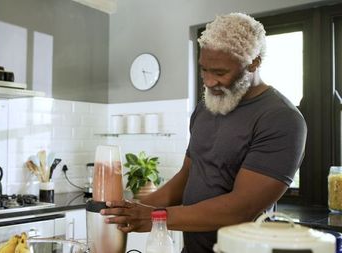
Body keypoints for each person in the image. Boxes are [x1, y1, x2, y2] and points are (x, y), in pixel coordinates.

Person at [101, 12, 307, 253]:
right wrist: (131, 208)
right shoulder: (207, 107)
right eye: (204, 70)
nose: (208, 82)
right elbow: (186, 177)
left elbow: (241, 208)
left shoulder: (281, 119)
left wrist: (156, 217)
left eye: (220, 73)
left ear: (254, 62)